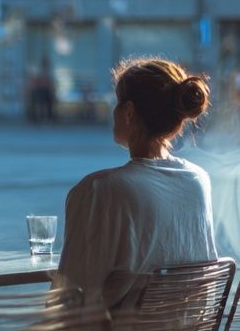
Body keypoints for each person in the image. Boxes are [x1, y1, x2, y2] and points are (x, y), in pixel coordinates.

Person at [57, 57, 217, 307]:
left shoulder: (98, 190)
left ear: (128, 112)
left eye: (117, 103)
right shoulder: (198, 181)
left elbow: (68, 297)